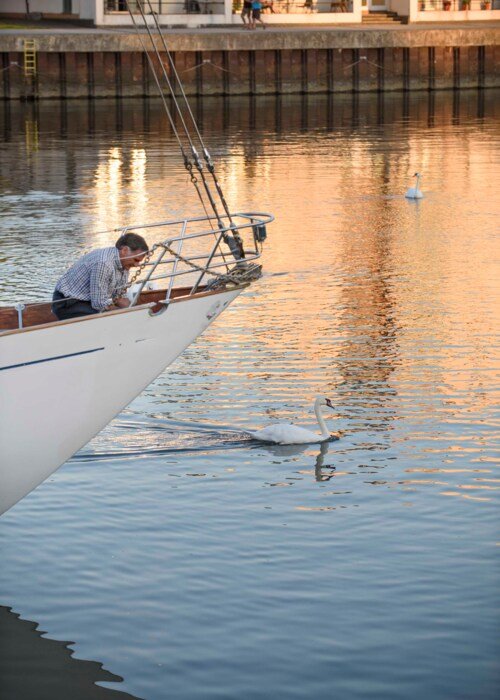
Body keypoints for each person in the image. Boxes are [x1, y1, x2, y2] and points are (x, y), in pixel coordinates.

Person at [52, 232, 149, 321]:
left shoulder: (124, 263)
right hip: (68, 303)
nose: (137, 265)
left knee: (122, 315)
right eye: (136, 260)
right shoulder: (104, 263)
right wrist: (124, 313)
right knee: (113, 319)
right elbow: (99, 303)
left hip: (88, 300)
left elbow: (119, 297)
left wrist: (137, 311)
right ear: (124, 250)